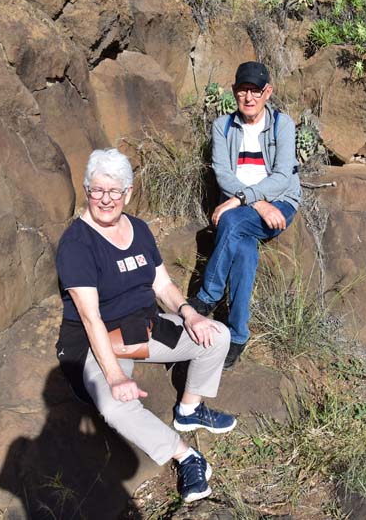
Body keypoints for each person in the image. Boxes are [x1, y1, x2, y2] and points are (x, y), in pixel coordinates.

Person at [55, 148, 237, 504]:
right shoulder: (77, 244)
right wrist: (115, 377)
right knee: (114, 405)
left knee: (218, 336)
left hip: (142, 327)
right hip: (97, 340)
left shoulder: (138, 229)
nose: (105, 199)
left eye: (114, 191)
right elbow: (91, 318)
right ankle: (185, 455)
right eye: (97, 190)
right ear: (87, 190)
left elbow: (162, 284)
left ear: (128, 193)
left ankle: (189, 410)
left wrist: (189, 313)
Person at [188, 61, 301, 370]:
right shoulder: (223, 126)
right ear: (234, 92)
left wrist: (248, 200)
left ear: (268, 92)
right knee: (244, 250)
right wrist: (256, 204)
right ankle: (238, 335)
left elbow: (282, 178)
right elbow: (223, 175)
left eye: (255, 91)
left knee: (231, 221)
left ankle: (208, 295)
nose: (249, 98)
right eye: (242, 91)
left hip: (279, 203)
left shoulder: (282, 125)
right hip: (247, 206)